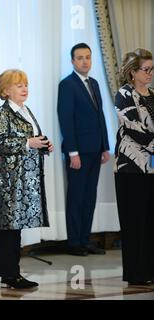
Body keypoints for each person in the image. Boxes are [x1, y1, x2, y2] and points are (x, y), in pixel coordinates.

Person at [0, 69, 52, 289]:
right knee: (9, 228)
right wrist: (28, 143)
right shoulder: (1, 114)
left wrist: (44, 145)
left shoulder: (26, 110)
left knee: (15, 228)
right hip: (9, 180)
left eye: (25, 84)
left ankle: (11, 273)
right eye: (18, 85)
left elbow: (32, 138)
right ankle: (10, 274)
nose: (24, 89)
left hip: (25, 179)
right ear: (6, 90)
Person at [57, 43, 110, 256]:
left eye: (87, 57)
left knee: (89, 196)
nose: (85, 61)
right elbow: (66, 120)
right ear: (72, 61)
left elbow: (100, 116)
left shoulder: (95, 83)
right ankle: (74, 242)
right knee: (77, 197)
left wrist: (105, 146)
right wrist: (73, 152)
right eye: (80, 58)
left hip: (96, 149)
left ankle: (85, 239)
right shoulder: (67, 85)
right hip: (78, 151)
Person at [114, 48, 154, 285]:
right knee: (134, 222)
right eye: (145, 69)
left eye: (152, 69)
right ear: (132, 72)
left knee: (150, 220)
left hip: (152, 168)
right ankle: (135, 273)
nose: (150, 73)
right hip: (131, 167)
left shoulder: (153, 94)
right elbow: (132, 127)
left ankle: (149, 269)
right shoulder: (124, 94)